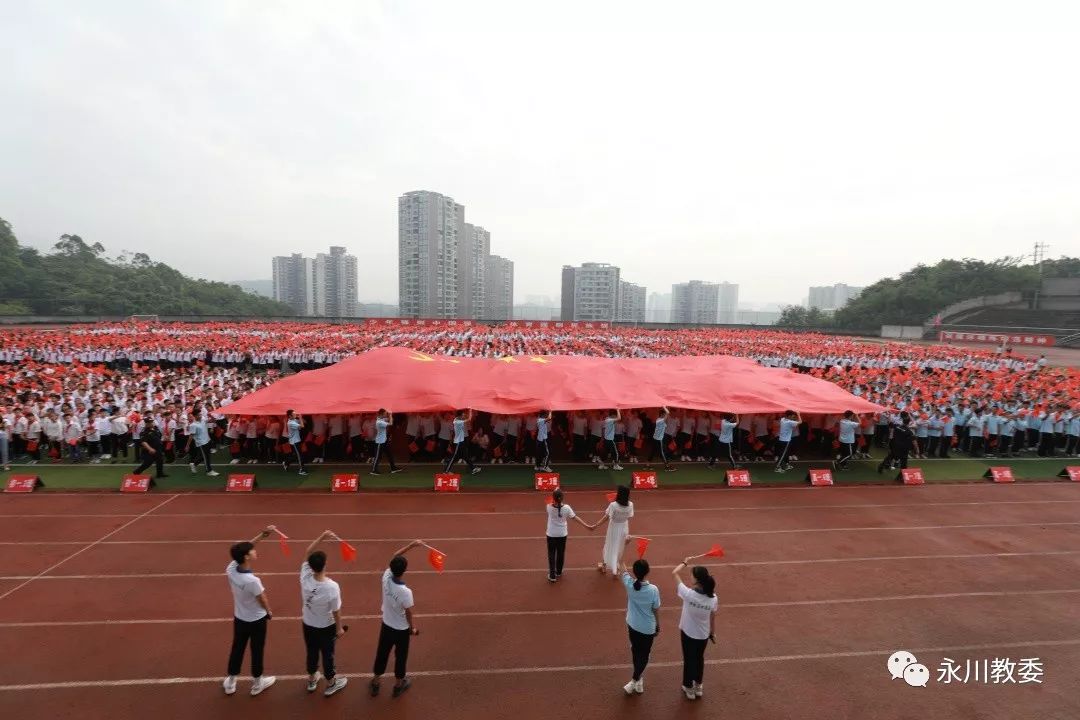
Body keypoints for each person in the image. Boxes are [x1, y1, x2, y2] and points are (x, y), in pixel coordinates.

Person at [224, 526, 277, 697]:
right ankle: (257, 683)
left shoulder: (231, 569)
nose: (254, 551)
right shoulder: (253, 580)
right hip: (256, 620)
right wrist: (268, 611)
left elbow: (245, 547)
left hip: (240, 618)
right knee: (257, 649)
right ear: (246, 557)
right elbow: (262, 599)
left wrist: (262, 535)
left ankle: (231, 682)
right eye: (252, 551)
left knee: (237, 648)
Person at [371, 539, 424, 699]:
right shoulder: (405, 592)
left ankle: (375, 681)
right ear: (404, 571)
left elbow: (395, 555)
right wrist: (412, 628)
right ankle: (398, 684)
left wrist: (411, 545)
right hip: (401, 630)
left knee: (382, 653)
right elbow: (408, 612)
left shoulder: (385, 577)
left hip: (386, 625)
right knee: (401, 657)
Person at [300, 530, 347, 697]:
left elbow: (308, 551)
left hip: (308, 623)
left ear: (311, 566)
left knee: (311, 651)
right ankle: (331, 683)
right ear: (325, 565)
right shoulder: (332, 587)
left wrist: (321, 536)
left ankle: (312, 679)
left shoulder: (305, 575)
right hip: (326, 627)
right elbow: (336, 610)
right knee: (328, 654)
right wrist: (339, 629)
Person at [618, 537, 661, 695]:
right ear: (648, 571)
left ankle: (636, 679)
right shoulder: (653, 590)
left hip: (633, 625)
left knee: (637, 653)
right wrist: (658, 625)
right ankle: (637, 679)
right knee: (642, 655)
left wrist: (625, 544)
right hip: (647, 628)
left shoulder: (629, 584)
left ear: (634, 572)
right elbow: (656, 610)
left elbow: (620, 562)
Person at [672, 559, 718, 700]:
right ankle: (698, 686)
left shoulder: (688, 594)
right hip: (703, 635)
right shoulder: (713, 598)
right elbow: (712, 616)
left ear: (697, 580)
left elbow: (674, 572)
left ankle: (688, 687)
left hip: (688, 633)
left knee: (689, 660)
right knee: (699, 659)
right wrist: (712, 632)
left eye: (692, 575)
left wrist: (685, 562)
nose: (690, 577)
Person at [544, 489, 594, 583]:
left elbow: (550, 501)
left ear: (553, 498)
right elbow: (575, 518)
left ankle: (552, 575)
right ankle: (558, 572)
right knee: (561, 553)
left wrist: (555, 493)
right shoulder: (567, 508)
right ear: (562, 498)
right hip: (562, 534)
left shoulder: (549, 507)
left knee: (551, 554)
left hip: (551, 534)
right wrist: (587, 526)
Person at [592, 485, 634, 577]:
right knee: (619, 547)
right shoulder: (630, 504)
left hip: (614, 527)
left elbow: (606, 517)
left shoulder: (613, 505)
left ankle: (604, 565)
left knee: (609, 546)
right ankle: (617, 568)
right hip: (624, 527)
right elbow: (629, 516)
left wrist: (596, 525)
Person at [444, 409, 480, 475]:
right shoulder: (457, 421)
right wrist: (470, 410)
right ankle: (446, 471)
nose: (464, 415)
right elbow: (469, 419)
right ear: (460, 415)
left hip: (462, 441)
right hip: (458, 442)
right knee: (454, 456)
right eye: (463, 414)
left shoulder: (459, 420)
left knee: (465, 456)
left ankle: (473, 469)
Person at [186, 411, 220, 477]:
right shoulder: (193, 425)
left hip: (207, 441)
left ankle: (194, 464)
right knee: (206, 457)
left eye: (200, 414)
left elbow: (213, 420)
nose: (200, 416)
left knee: (203, 457)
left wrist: (211, 416)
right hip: (201, 443)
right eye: (199, 415)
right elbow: (191, 436)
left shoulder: (203, 420)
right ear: (195, 416)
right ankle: (209, 471)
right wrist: (187, 446)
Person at [371, 408, 404, 475]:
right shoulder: (379, 422)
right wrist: (391, 415)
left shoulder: (382, 419)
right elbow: (391, 423)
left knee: (390, 454)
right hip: (380, 442)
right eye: (385, 414)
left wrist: (390, 415)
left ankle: (393, 468)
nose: (386, 415)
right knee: (378, 456)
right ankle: (374, 470)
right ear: (381, 414)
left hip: (384, 441)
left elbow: (390, 420)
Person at [645, 407, 674, 471]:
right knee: (663, 452)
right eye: (664, 414)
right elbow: (668, 413)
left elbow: (667, 414)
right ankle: (667, 467)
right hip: (659, 438)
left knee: (653, 452)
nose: (665, 416)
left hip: (656, 438)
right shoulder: (660, 420)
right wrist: (664, 406)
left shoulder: (659, 420)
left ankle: (647, 465)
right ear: (662, 415)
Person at [282, 409, 307, 476]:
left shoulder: (294, 420)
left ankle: (286, 463)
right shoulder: (290, 423)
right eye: (294, 414)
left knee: (296, 455)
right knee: (299, 456)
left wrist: (300, 418)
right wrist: (301, 418)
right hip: (294, 442)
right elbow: (302, 426)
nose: (295, 415)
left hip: (296, 441)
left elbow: (304, 422)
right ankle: (301, 470)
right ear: (290, 416)